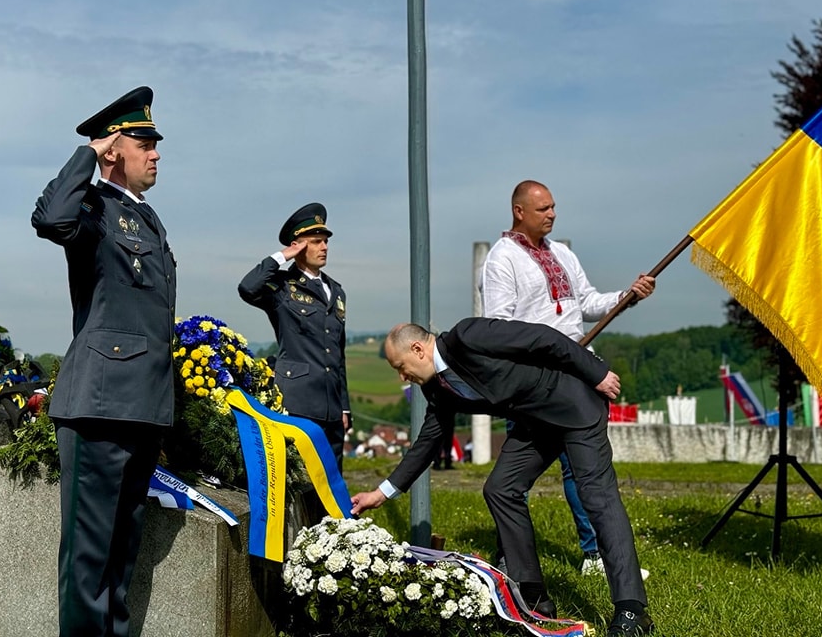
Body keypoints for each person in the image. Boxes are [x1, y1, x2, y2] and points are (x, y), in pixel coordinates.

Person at [351, 320, 655, 637]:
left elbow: (543, 338)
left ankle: (632, 610)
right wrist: (382, 493)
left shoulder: (468, 337)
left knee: (596, 497)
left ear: (417, 349)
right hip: (534, 423)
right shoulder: (436, 385)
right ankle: (533, 601)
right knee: (500, 489)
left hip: (573, 406)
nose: (402, 377)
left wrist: (597, 373)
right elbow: (430, 439)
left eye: (401, 367)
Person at [32, 86, 177, 637]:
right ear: (117, 149)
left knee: (121, 559)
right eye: (145, 142)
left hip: (141, 405)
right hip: (97, 405)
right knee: (89, 561)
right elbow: (50, 219)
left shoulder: (149, 220)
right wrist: (90, 154)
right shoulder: (91, 207)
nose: (157, 152)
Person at [481, 179, 655, 578]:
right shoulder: (502, 259)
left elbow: (588, 304)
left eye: (554, 207)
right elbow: (500, 329)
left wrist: (626, 296)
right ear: (519, 212)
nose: (552, 214)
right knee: (512, 481)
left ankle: (595, 554)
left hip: (579, 375)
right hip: (535, 383)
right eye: (543, 209)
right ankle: (510, 558)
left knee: (584, 471)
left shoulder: (561, 253)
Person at [238, 203, 350, 471]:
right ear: (298, 246)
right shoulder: (281, 287)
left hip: (331, 407)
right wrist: (283, 255)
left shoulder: (336, 291)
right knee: (298, 478)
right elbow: (247, 288)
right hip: (298, 402)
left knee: (332, 481)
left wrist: (344, 407)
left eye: (325, 241)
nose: (324, 247)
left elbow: (338, 353)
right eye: (315, 242)